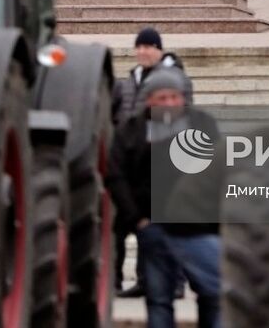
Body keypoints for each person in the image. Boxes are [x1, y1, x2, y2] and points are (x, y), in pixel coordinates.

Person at [107, 67, 222, 328]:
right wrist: (137, 219)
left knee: (212, 295)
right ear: (149, 100)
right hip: (154, 226)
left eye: (174, 97)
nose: (169, 103)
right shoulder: (132, 130)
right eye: (162, 98)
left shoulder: (201, 123)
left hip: (198, 228)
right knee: (159, 298)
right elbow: (117, 175)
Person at [111, 27, 191, 298]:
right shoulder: (128, 81)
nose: (143, 51)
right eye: (140, 47)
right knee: (123, 223)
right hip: (132, 158)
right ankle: (121, 280)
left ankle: (176, 283)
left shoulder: (174, 78)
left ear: (159, 50)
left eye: (148, 46)